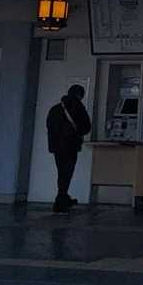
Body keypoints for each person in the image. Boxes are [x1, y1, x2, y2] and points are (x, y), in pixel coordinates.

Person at [45, 83, 91, 213]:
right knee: (67, 172)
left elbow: (49, 126)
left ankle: (63, 197)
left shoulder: (55, 109)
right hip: (71, 145)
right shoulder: (78, 107)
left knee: (61, 172)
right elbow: (86, 127)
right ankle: (61, 200)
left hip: (57, 147)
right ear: (80, 95)